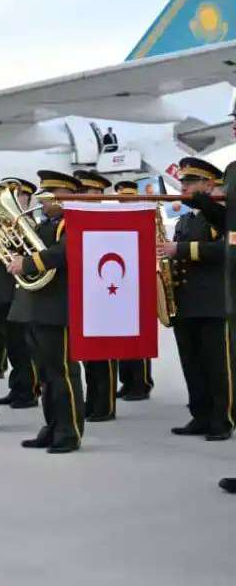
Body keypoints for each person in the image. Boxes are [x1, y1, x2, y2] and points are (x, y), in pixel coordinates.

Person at [6, 171, 85, 454]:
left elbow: (65, 252)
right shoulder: (43, 224)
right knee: (45, 375)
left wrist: (26, 264)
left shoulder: (73, 221)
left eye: (48, 193)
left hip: (58, 307)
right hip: (35, 306)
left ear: (64, 196)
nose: (41, 199)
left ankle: (70, 430)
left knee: (63, 372)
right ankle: (52, 426)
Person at [157, 157, 234, 442]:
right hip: (186, 301)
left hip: (213, 301)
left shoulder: (222, 215)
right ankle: (200, 415)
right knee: (193, 364)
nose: (183, 189)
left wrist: (181, 249)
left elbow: (226, 249)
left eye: (189, 184)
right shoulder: (186, 219)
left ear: (208, 184)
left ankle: (221, 420)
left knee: (217, 366)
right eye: (183, 184)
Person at [74, 170, 119, 423]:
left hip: (104, 292)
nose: (83, 196)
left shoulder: (108, 219)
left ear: (99, 195)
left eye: (88, 192)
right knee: (88, 355)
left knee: (104, 353)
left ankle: (105, 404)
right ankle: (92, 401)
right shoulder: (78, 218)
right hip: (85, 294)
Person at [0, 178, 40, 409]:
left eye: (19, 195)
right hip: (5, 293)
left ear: (27, 199)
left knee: (26, 347)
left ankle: (30, 390)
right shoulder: (6, 225)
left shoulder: (31, 226)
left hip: (23, 293)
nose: (15, 199)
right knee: (13, 346)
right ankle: (18, 387)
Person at [112, 180, 154, 401]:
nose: (123, 202)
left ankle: (142, 383)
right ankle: (127, 381)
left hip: (138, 284)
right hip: (120, 285)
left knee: (137, 339)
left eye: (127, 198)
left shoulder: (144, 219)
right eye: (121, 199)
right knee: (122, 338)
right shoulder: (114, 220)